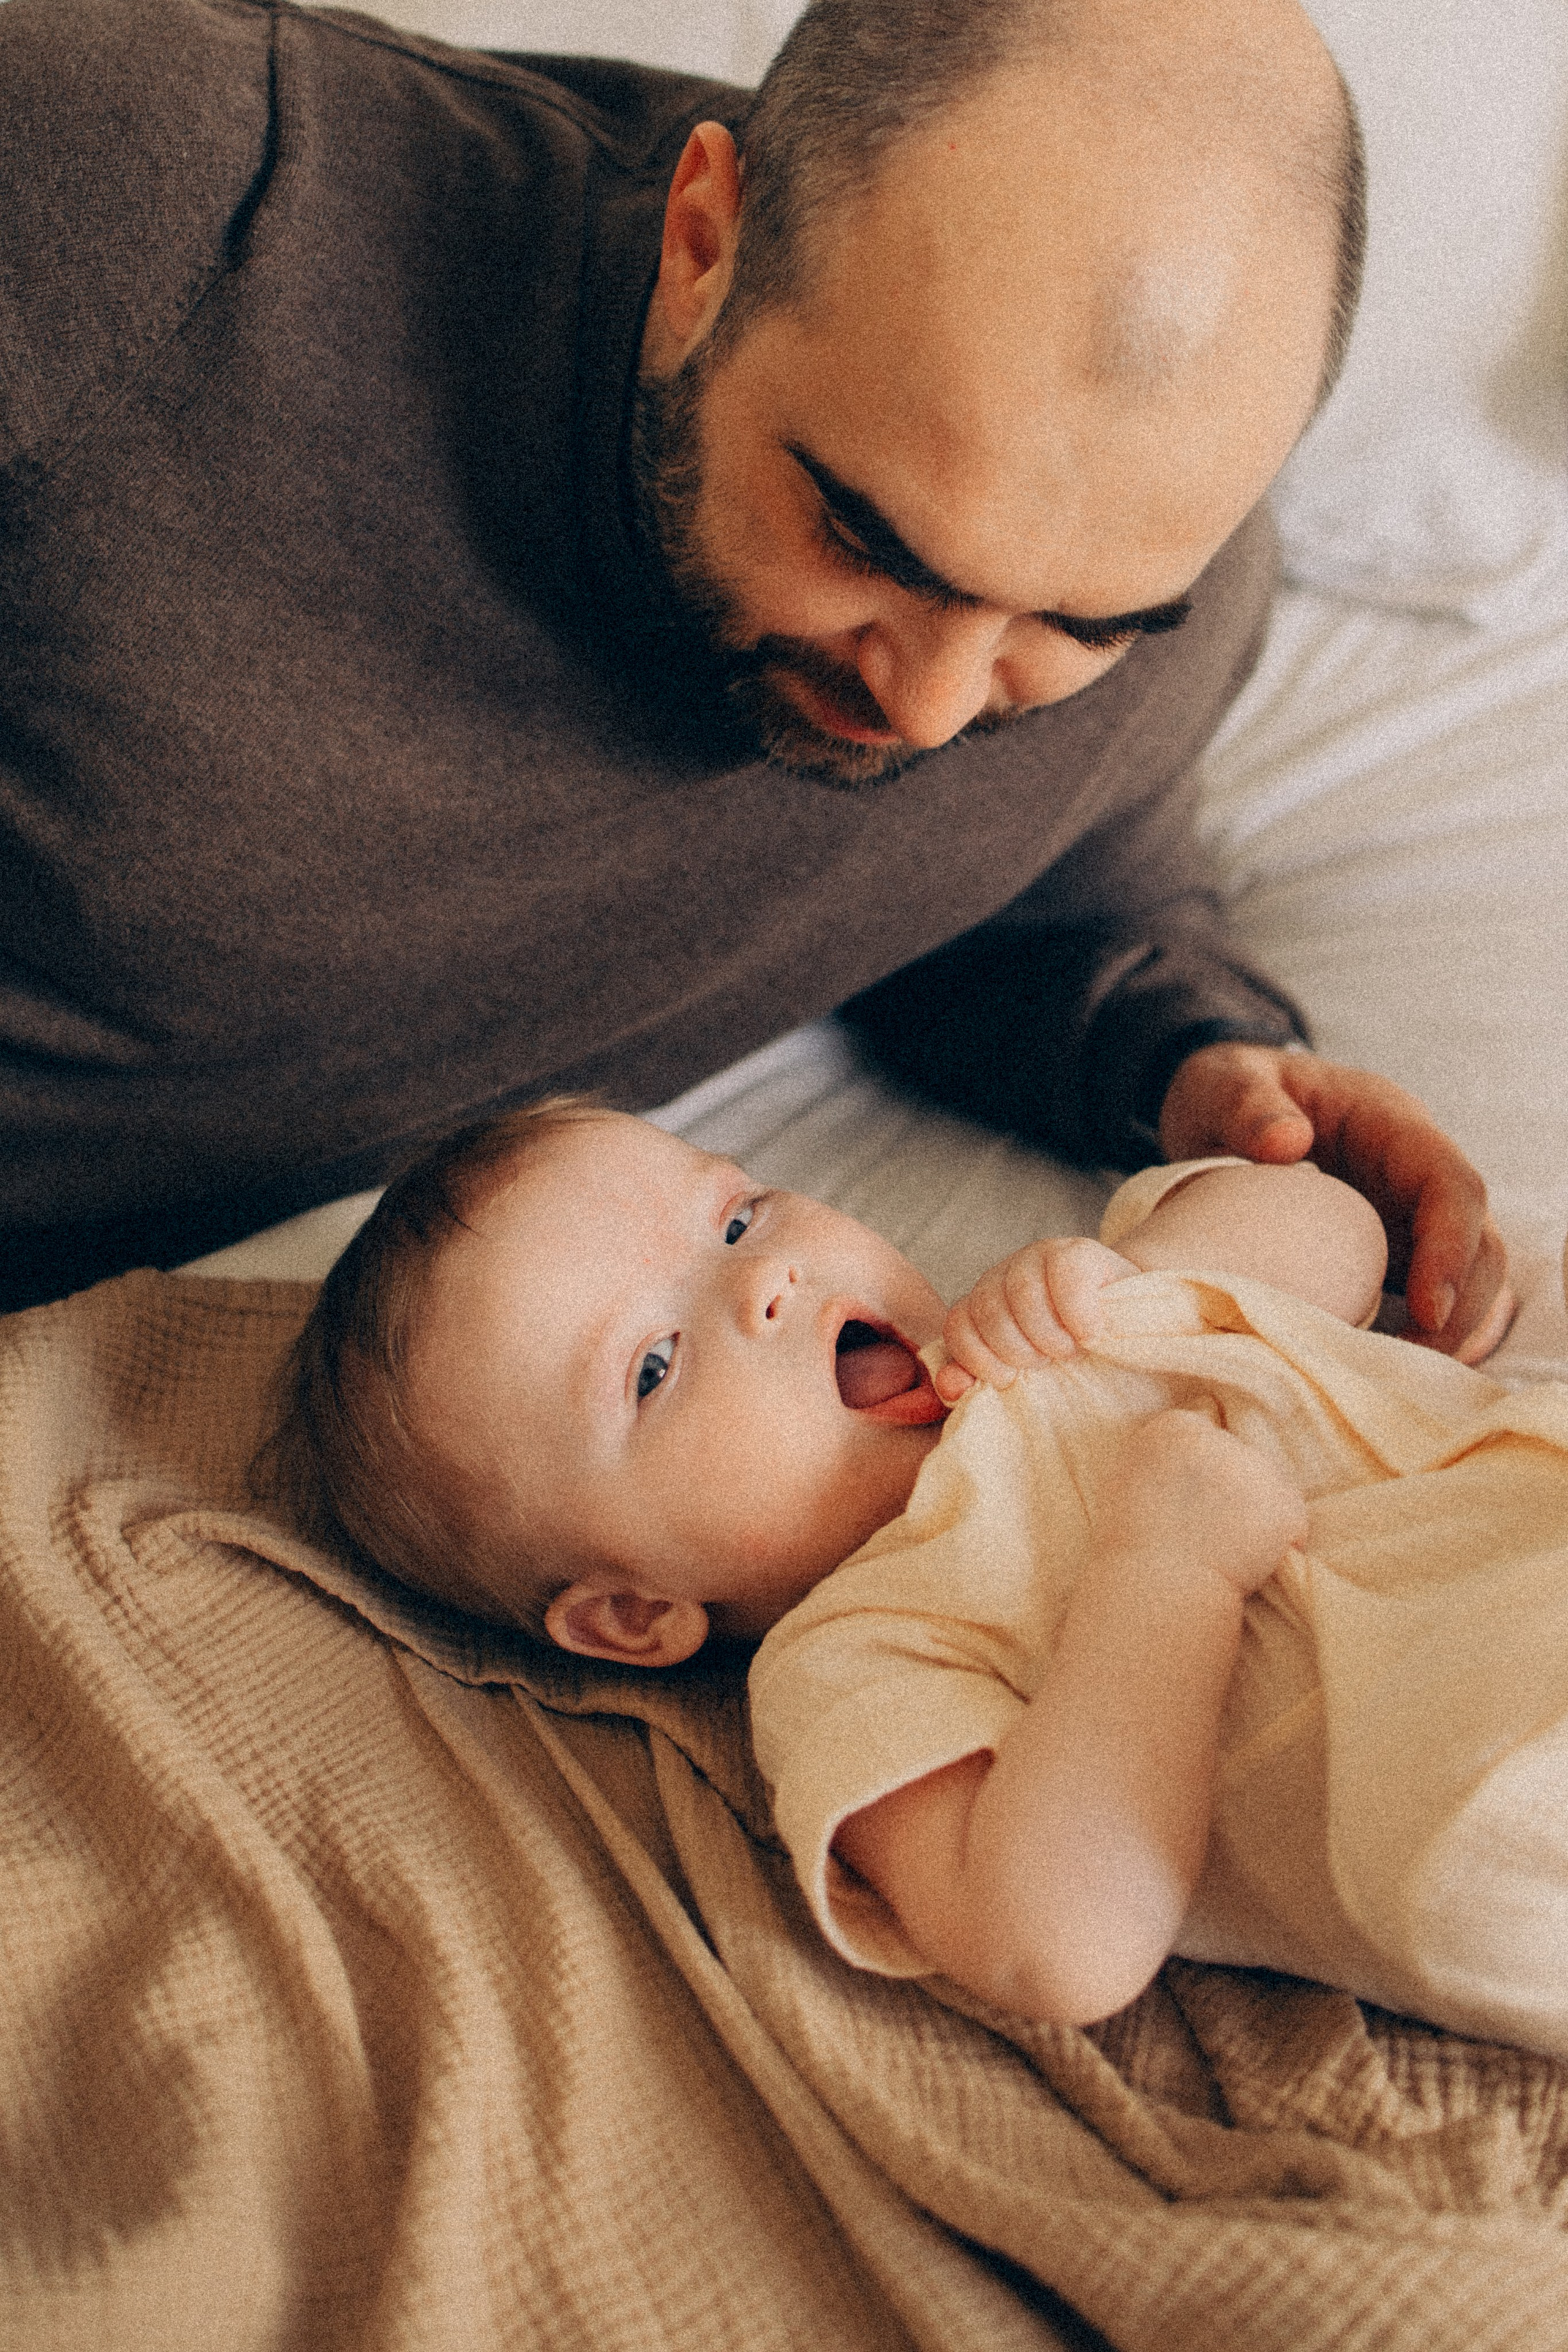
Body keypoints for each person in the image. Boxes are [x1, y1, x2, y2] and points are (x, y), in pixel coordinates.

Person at [0, 0, 1506, 1357]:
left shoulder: (1172, 606)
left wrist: (1197, 1072)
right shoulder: (138, 198)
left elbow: (1032, 896)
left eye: (1075, 622)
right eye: (864, 536)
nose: (929, 708)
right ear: (702, 239)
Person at [279, 1099, 1568, 2060]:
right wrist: (1163, 1574)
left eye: (736, 1217)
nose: (767, 1281)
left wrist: (1126, 1278)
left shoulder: (1047, 1309)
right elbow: (1053, 1937)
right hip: (1484, 1774)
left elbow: (1336, 1232)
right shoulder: (860, 1652)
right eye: (653, 1368)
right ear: (634, 1613)